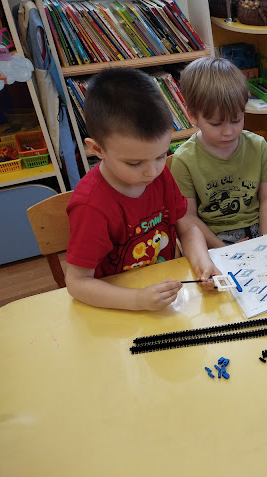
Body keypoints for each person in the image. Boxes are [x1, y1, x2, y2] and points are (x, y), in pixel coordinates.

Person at [65, 68, 219, 311]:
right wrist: (137, 300)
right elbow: (77, 283)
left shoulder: (159, 175)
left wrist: (202, 262)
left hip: (166, 291)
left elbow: (187, 226)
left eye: (161, 155)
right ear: (98, 150)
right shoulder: (91, 206)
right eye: (134, 163)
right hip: (119, 304)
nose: (152, 171)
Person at [170, 57, 267, 248]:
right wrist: (224, 249)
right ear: (192, 116)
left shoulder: (258, 145)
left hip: (260, 229)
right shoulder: (184, 159)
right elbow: (189, 217)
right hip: (213, 237)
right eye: (216, 124)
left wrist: (264, 240)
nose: (228, 132)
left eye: (236, 120)